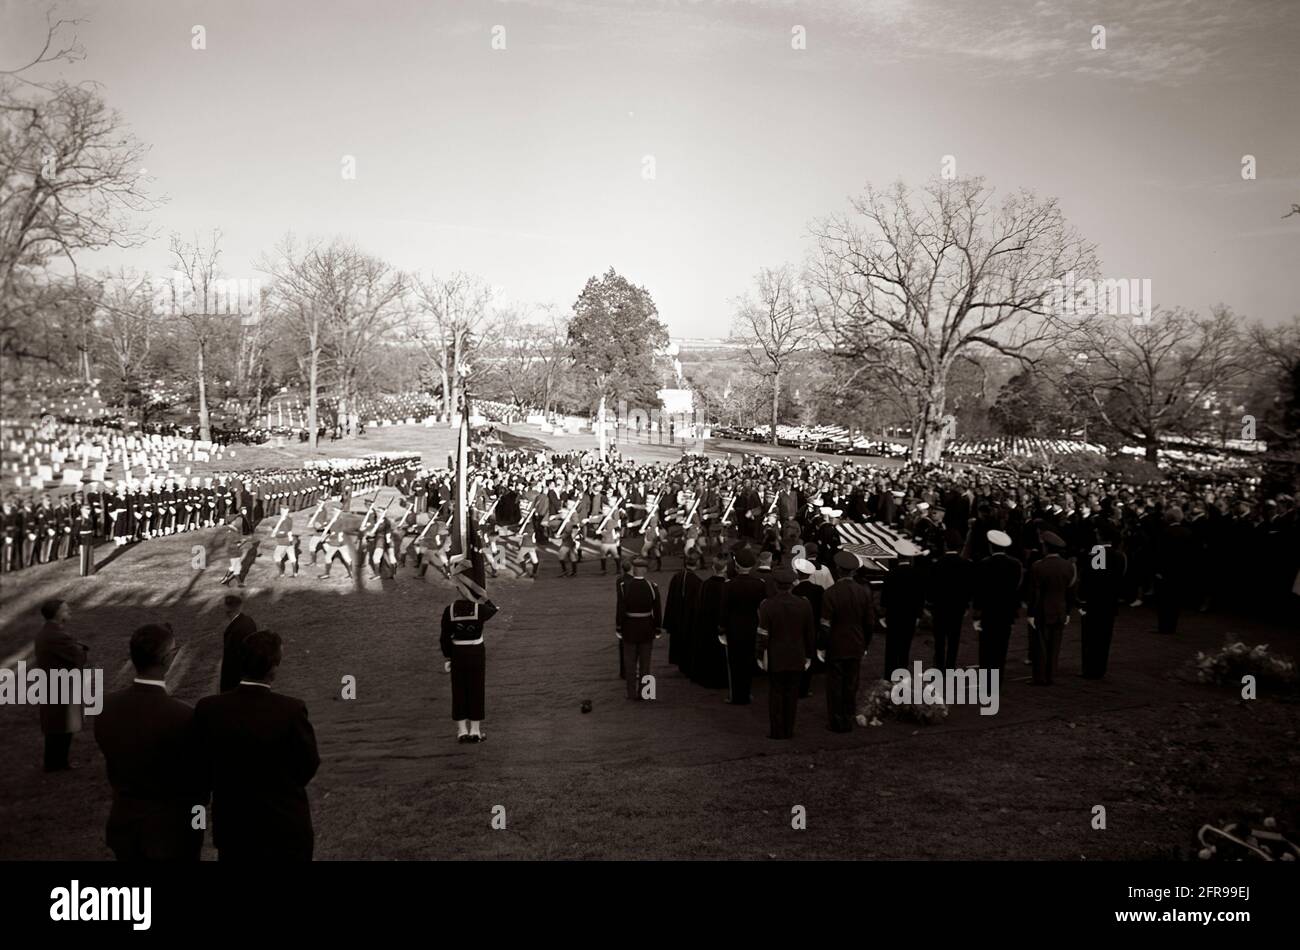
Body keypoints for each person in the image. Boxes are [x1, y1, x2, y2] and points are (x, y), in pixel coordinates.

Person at [193, 630, 320, 860]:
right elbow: (308, 764)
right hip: (284, 825)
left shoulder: (209, 709)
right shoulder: (291, 710)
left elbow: (200, 764)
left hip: (234, 824)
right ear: (273, 668)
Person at [93, 623, 205, 861]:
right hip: (171, 832)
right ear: (166, 659)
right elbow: (199, 783)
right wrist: (198, 827)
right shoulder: (184, 716)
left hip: (124, 823)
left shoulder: (105, 708)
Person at [819, 552, 876, 732]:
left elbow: (825, 624)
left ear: (838, 569)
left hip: (836, 644)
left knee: (835, 684)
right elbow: (869, 623)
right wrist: (865, 644)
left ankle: (836, 721)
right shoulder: (863, 593)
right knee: (851, 683)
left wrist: (822, 646)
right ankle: (848, 717)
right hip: (856, 642)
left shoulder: (830, 593)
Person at [756, 567, 816, 739]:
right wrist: (809, 655)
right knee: (792, 695)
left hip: (776, 655)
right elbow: (809, 633)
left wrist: (760, 655)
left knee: (776, 694)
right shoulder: (804, 604)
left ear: (776, 585)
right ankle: (789, 729)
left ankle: (777, 730)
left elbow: (762, 634)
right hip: (797, 654)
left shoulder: (767, 605)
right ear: (792, 585)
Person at [34, 599, 88, 772]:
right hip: (59, 686)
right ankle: (56, 764)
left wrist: (77, 647)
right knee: (60, 726)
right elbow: (77, 654)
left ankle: (58, 763)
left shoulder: (49, 633)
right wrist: (81, 649)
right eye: (65, 609)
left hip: (55, 684)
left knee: (58, 725)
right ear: (57, 613)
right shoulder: (56, 635)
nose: (69, 611)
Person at [440, 596, 499, 742]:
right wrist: (483, 597)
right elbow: (495, 609)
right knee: (476, 689)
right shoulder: (480, 610)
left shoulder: (449, 610)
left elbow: (444, 637)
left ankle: (462, 731)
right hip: (476, 652)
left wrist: (448, 657)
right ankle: (475, 731)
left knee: (458, 690)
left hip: (457, 653)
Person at [1027, 531, 1077, 685]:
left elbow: (1034, 593)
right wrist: (1068, 611)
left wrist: (1031, 613)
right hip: (1060, 608)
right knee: (1055, 645)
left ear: (1046, 548)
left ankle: (1040, 677)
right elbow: (1071, 591)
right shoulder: (1069, 566)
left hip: (1042, 609)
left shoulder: (1038, 566)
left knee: (1040, 645)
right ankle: (1051, 675)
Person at [718, 547, 766, 705]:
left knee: (735, 663)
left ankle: (736, 695)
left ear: (737, 566)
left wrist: (722, 628)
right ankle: (746, 693)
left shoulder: (729, 585)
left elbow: (724, 609)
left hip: (734, 628)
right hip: (752, 625)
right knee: (748, 661)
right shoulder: (759, 584)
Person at [1079, 521, 1127, 679]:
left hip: (1095, 602)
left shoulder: (1097, 552)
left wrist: (1084, 597)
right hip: (1110, 602)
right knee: (1104, 638)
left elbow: (1093, 579)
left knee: (1091, 637)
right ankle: (1099, 668)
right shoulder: (1119, 556)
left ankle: (1090, 668)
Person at [973, 530, 1022, 674]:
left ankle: (986, 679)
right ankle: (998, 678)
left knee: (986, 647)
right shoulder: (1015, 565)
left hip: (988, 612)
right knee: (1001, 647)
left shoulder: (984, 564)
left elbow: (979, 590)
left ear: (990, 546)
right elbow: (1016, 590)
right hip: (1006, 611)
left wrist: (977, 612)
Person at [615, 558, 663, 701]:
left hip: (629, 628)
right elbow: (657, 610)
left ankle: (631, 693)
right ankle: (646, 693)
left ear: (634, 570)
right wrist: (657, 628)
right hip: (647, 628)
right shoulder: (652, 586)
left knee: (630, 663)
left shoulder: (625, 586)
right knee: (645, 663)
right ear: (645, 571)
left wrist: (619, 626)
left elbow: (621, 609)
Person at [928, 530, 974, 669]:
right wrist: (966, 604)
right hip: (957, 606)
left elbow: (931, 586)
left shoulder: (937, 564)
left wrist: (930, 603)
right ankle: (950, 665)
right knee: (954, 638)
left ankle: (940, 665)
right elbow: (968, 588)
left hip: (939, 606)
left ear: (946, 545)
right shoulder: (965, 565)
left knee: (939, 639)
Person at [880, 540, 925, 678]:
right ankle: (903, 673)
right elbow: (920, 596)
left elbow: (885, 597)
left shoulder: (890, 574)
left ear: (898, 556)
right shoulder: (917, 574)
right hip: (910, 616)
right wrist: (918, 615)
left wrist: (883, 614)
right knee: (905, 646)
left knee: (891, 646)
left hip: (893, 615)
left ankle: (889, 674)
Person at [689, 556, 731, 688]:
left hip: (707, 624)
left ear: (714, 567)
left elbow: (699, 605)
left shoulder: (705, 584)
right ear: (725, 569)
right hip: (723, 624)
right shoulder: (728, 585)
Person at [665, 560, 702, 675]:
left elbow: (670, 599)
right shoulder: (697, 581)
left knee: (678, 640)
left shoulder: (677, 577)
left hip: (677, 616)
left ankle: (680, 663)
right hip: (689, 617)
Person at [218, 594, 257, 693]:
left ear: (228, 610)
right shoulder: (249, 621)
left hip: (235, 679)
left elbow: (231, 659)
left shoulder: (234, 630)